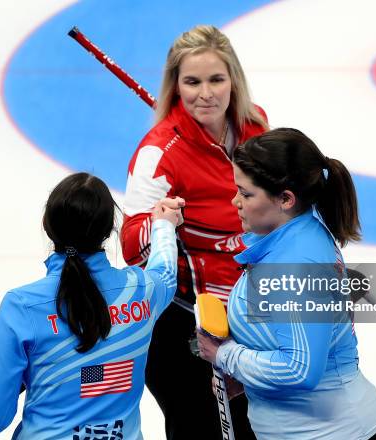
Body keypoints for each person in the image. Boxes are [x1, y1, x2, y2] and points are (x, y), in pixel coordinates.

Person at [0, 172, 184, 439]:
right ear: (110, 230)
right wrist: (164, 225)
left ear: (47, 225)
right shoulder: (142, 292)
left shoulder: (21, 307)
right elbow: (165, 274)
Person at [121, 24, 268, 439]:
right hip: (187, 324)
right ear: (176, 85)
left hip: (250, 316)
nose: (206, 93)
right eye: (193, 82)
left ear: (233, 80)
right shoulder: (159, 153)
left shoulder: (255, 126)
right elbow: (131, 245)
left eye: (216, 79)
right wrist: (160, 222)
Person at [196, 128, 376, 439]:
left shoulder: (294, 267)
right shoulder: (295, 236)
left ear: (286, 199)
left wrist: (225, 356)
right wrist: (247, 375)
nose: (235, 201)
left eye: (245, 194)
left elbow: (299, 368)